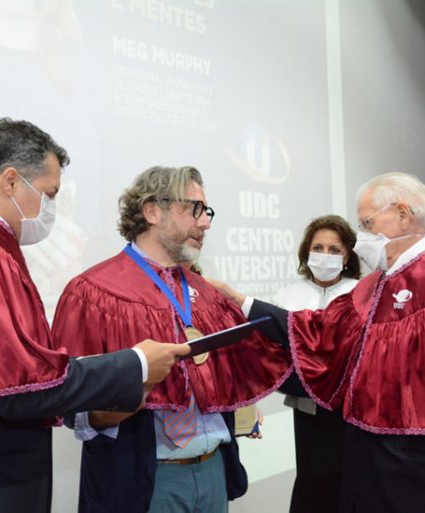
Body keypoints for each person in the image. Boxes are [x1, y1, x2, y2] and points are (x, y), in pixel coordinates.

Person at [0, 119, 189, 513]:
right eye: (48, 193)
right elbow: (20, 386)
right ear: (11, 181)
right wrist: (136, 363)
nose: (51, 209)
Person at [219, 173, 425, 513]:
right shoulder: (374, 286)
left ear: (402, 215)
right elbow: (319, 332)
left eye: (367, 223)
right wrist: (243, 304)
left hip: (418, 484)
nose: (361, 238)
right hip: (363, 479)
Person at [51, 165, 292, 513]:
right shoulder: (93, 292)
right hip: (143, 482)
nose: (205, 223)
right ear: (153, 211)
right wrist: (126, 397)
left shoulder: (207, 293)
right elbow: (72, 402)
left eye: (207, 212)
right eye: (195, 209)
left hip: (214, 470)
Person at [274, 215, 361, 513]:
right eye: (318, 248)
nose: (325, 256)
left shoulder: (361, 293)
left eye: (334, 250)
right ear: (306, 252)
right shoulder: (287, 296)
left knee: (349, 487)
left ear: (347, 256)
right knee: (312, 486)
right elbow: (276, 355)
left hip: (350, 411)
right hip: (307, 409)